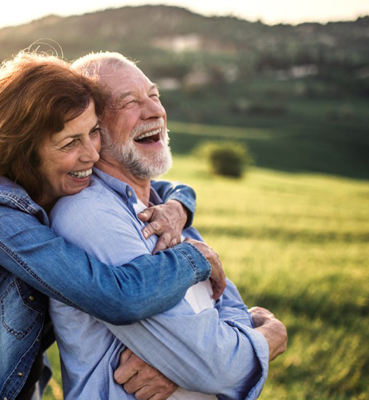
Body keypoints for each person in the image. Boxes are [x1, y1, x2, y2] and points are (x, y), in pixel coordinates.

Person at [0, 51, 227, 400]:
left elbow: (161, 188)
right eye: (70, 143)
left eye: (92, 132)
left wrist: (178, 208)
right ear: (25, 151)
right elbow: (116, 297)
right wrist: (194, 258)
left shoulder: (57, 186)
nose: (92, 153)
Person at [49, 52, 288, 400]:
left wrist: (186, 367)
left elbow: (228, 308)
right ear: (92, 129)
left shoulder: (167, 212)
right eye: (130, 102)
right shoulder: (89, 216)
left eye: (155, 95)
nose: (155, 111)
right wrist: (271, 337)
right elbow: (215, 366)